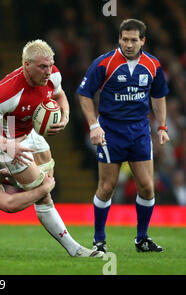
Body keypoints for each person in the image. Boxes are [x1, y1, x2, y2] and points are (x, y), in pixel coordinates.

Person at [0, 40, 100, 258]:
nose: (48, 71)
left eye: (50, 65)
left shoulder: (53, 75)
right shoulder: (8, 91)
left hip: (31, 133)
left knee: (45, 176)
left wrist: (65, 116)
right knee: (42, 192)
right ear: (26, 65)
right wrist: (7, 145)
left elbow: (60, 96)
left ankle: (7, 177)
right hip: (7, 139)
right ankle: (75, 249)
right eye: (42, 67)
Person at [77, 19, 169, 253]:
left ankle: (142, 239)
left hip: (139, 131)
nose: (129, 44)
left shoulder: (153, 65)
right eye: (125, 39)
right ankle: (99, 240)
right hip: (111, 131)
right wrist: (93, 125)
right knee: (107, 187)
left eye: (133, 40)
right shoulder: (104, 63)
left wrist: (162, 127)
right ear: (119, 39)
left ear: (143, 41)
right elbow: (84, 94)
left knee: (147, 187)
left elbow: (158, 96)